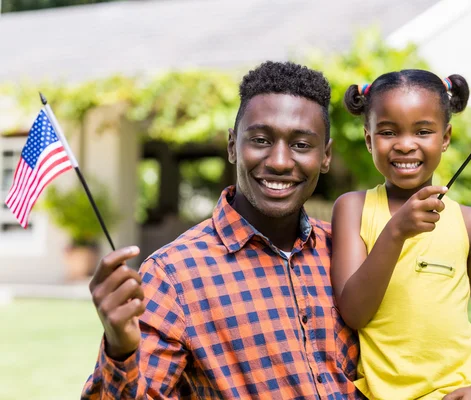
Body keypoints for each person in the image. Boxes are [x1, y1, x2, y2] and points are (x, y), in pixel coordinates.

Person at [82, 61, 365, 399]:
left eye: (301, 145)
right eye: (260, 140)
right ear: (233, 146)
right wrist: (120, 349)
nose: (278, 160)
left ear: (326, 156)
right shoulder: (172, 276)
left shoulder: (350, 251)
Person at [330, 70, 471, 400]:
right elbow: (355, 312)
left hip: (456, 390)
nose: (405, 144)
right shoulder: (353, 209)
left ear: (445, 137)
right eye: (388, 132)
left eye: (423, 131)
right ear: (369, 139)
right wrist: (396, 231)